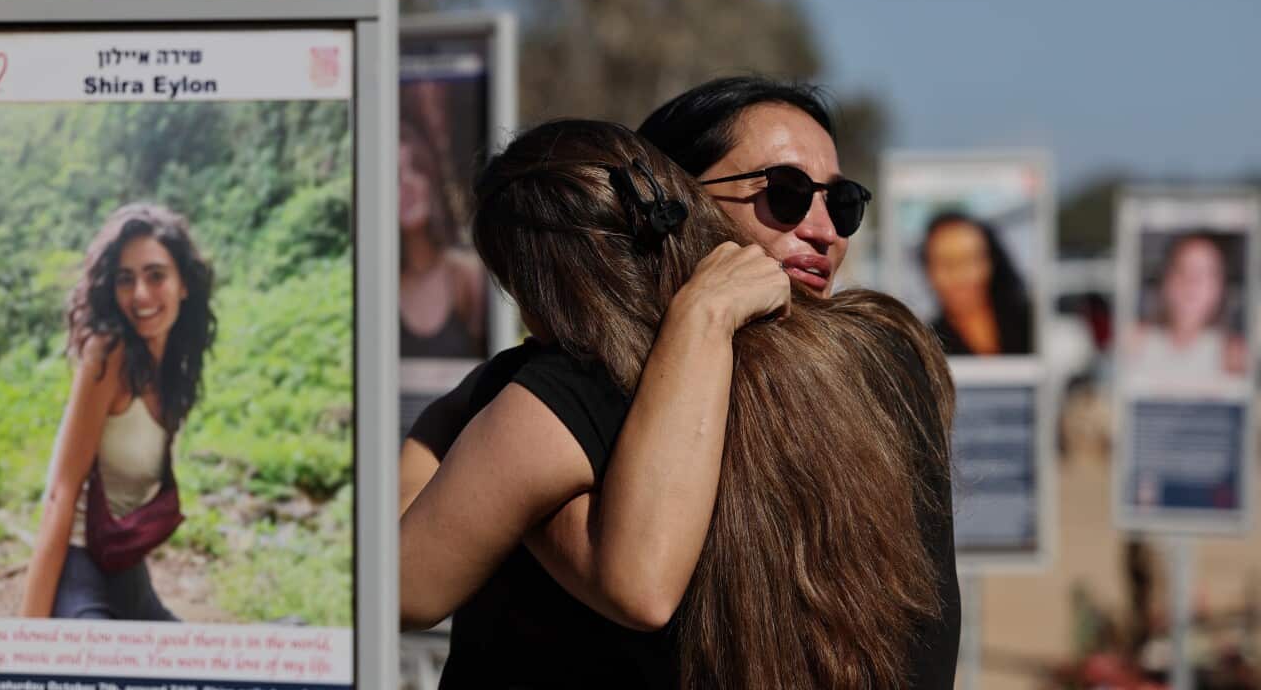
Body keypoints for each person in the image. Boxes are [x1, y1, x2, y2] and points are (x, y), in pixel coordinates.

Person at [402, 118, 958, 688]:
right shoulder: (885, 346)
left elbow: (404, 586)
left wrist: (474, 401)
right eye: (785, 195)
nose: (823, 230)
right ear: (682, 194)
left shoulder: (556, 395)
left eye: (842, 203)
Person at [20, 203, 215, 620]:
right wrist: (28, 640)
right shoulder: (108, 355)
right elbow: (60, 493)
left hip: (127, 574)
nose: (141, 294)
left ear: (183, 284)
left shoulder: (173, 368)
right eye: (126, 280)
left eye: (156, 275)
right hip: (78, 570)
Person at [399, 94, 487, 359]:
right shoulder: (379, 285)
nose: (409, 183)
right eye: (394, 176)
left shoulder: (466, 275)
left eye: (415, 167)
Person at [1128, 232, 1246, 378]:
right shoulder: (1135, 345)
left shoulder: (1234, 357)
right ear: (1165, 281)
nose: (1191, 283)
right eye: (1182, 269)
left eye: (1204, 273)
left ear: (1219, 287)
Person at [920, 208, 1032, 355]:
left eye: (970, 260)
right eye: (946, 264)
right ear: (928, 270)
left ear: (991, 261)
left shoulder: (1029, 319)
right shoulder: (926, 344)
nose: (959, 276)